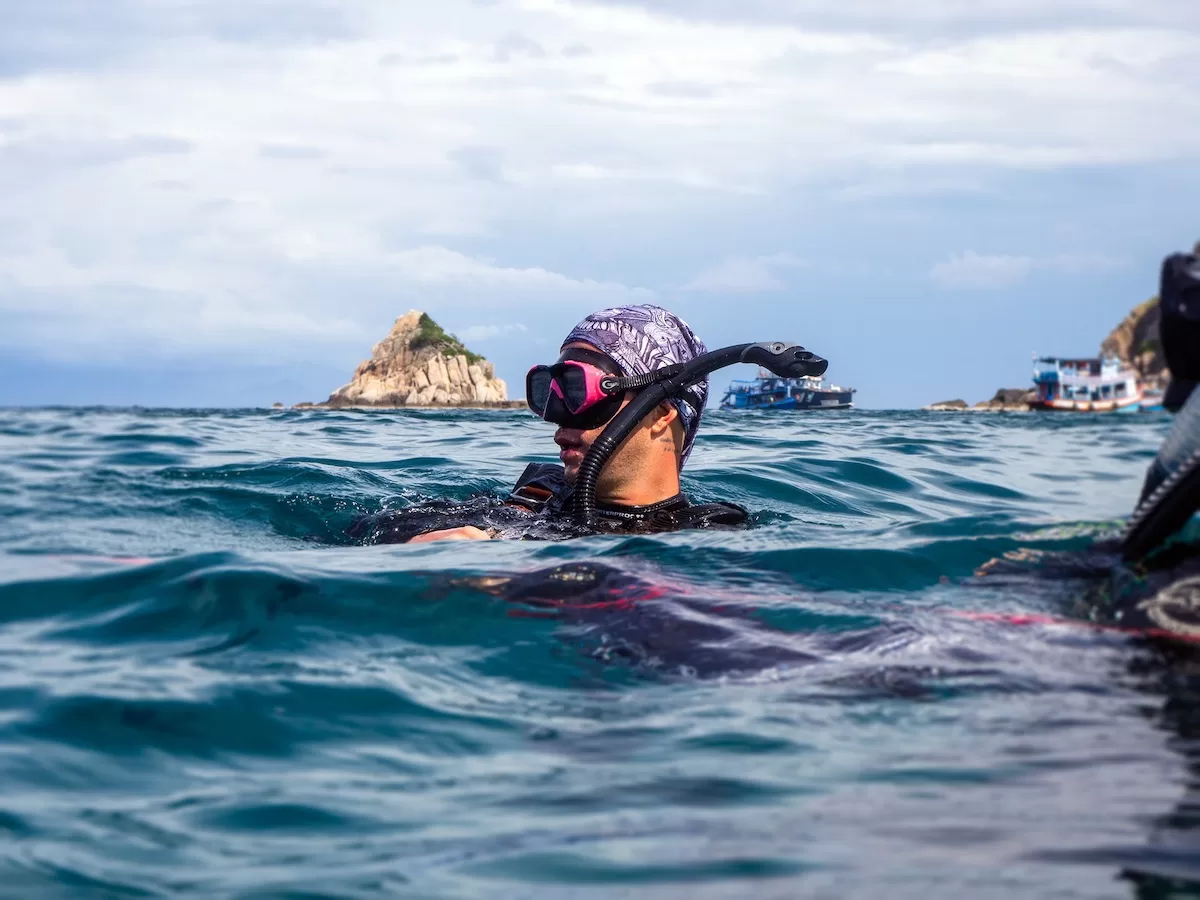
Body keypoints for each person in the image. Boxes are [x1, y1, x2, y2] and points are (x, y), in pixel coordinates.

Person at [365, 304, 748, 544]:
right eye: (552, 395)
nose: (560, 427)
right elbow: (368, 532)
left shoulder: (705, 536)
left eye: (580, 394)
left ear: (661, 414)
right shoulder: (540, 497)